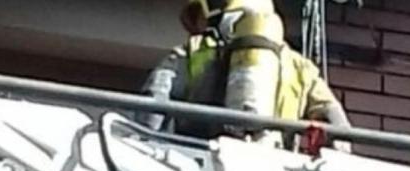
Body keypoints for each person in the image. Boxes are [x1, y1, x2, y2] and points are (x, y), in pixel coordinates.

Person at [141, 0, 350, 142]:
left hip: (197, 164)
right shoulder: (300, 66)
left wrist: (146, 144)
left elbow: (152, 106)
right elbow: (337, 125)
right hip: (272, 169)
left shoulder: (193, 50)